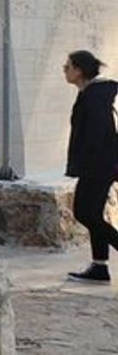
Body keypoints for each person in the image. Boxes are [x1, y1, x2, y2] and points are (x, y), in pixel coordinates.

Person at [63, 50, 118, 283]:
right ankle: (100, 267)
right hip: (98, 165)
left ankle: (100, 266)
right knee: (93, 214)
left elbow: (97, 135)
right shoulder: (92, 94)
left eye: (68, 67)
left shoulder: (94, 97)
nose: (64, 70)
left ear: (79, 70)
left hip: (98, 166)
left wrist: (87, 165)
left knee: (84, 213)